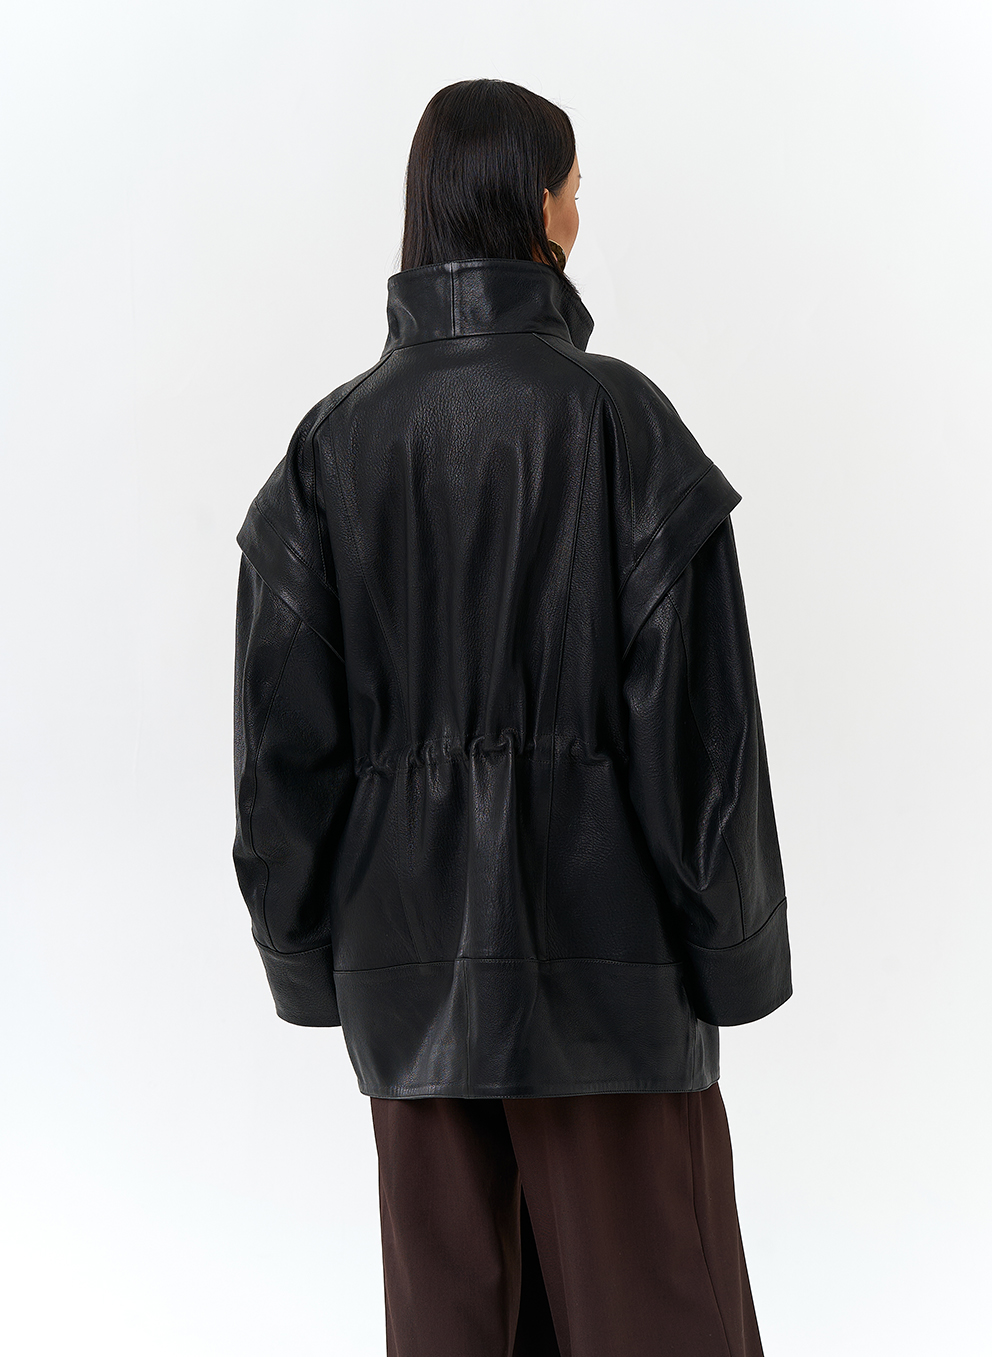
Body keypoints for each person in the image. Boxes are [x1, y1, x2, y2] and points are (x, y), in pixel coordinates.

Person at [232, 78, 793, 1357]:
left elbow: (280, 753)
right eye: (574, 187)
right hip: (610, 985)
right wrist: (735, 952)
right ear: (533, 206)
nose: (581, 211)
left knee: (455, 1334)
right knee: (663, 1325)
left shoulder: (326, 450)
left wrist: (307, 956)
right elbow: (702, 743)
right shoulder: (620, 424)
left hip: (404, 977)